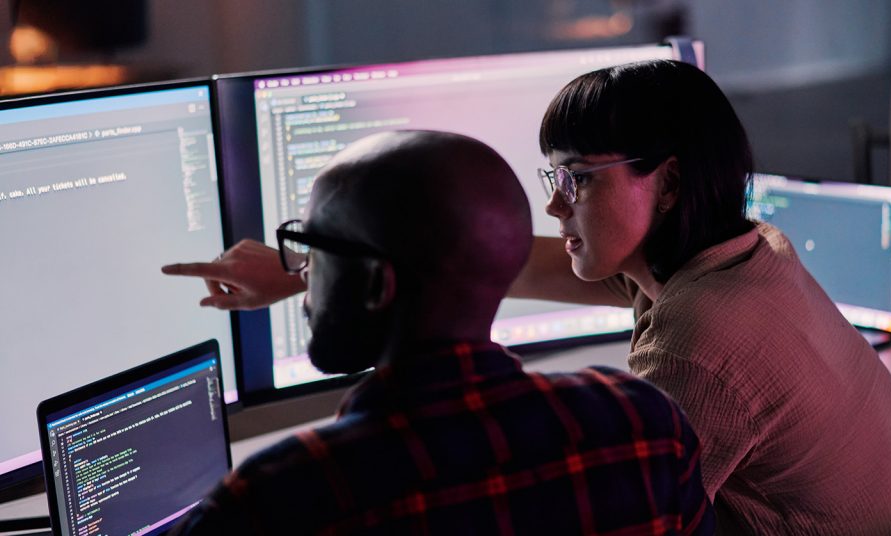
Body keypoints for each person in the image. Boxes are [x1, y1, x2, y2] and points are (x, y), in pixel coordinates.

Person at [165, 61, 891, 534]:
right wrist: (310, 271)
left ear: (666, 182)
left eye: (577, 178)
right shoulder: (742, 256)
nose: (555, 205)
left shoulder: (701, 345)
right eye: (551, 179)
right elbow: (481, 259)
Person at [169, 130, 714, 534]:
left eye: (314, 252)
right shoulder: (643, 425)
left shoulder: (277, 497)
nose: (302, 272)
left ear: (378, 284)